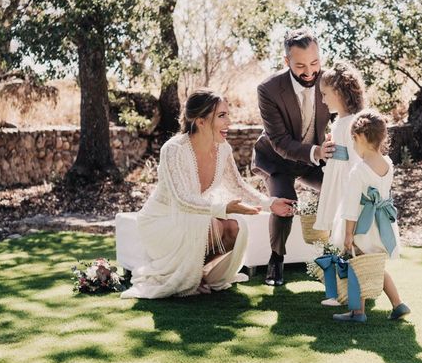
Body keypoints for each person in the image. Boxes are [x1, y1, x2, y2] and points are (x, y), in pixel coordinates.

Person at [121, 89, 294, 299]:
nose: (229, 122)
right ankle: (188, 276)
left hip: (195, 217)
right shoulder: (174, 149)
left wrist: (270, 203)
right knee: (211, 224)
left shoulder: (223, 149)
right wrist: (223, 208)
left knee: (236, 226)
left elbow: (237, 186)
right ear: (200, 121)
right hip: (162, 221)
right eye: (222, 116)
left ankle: (199, 274)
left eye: (228, 115)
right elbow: (182, 200)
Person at [252, 27, 333, 286]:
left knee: (339, 188)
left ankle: (337, 256)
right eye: (300, 65)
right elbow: (279, 141)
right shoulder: (268, 89)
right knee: (284, 202)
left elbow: (345, 115)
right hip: (276, 159)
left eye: (315, 62)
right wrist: (315, 151)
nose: (309, 72)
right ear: (286, 62)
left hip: (314, 160)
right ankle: (276, 259)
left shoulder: (329, 82)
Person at [332, 109, 411, 323]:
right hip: (382, 225)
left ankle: (358, 312)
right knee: (375, 267)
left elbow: (350, 207)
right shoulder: (388, 164)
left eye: (353, 140)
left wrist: (348, 234)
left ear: (361, 138)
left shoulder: (359, 171)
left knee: (357, 267)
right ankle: (398, 303)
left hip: (363, 227)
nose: (354, 146)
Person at [313, 61, 366, 306]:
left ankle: (348, 291)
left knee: (343, 234)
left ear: (339, 92)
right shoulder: (341, 121)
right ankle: (338, 290)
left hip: (344, 185)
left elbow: (357, 159)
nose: (323, 100)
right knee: (333, 236)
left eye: (325, 94)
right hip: (335, 180)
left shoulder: (353, 122)